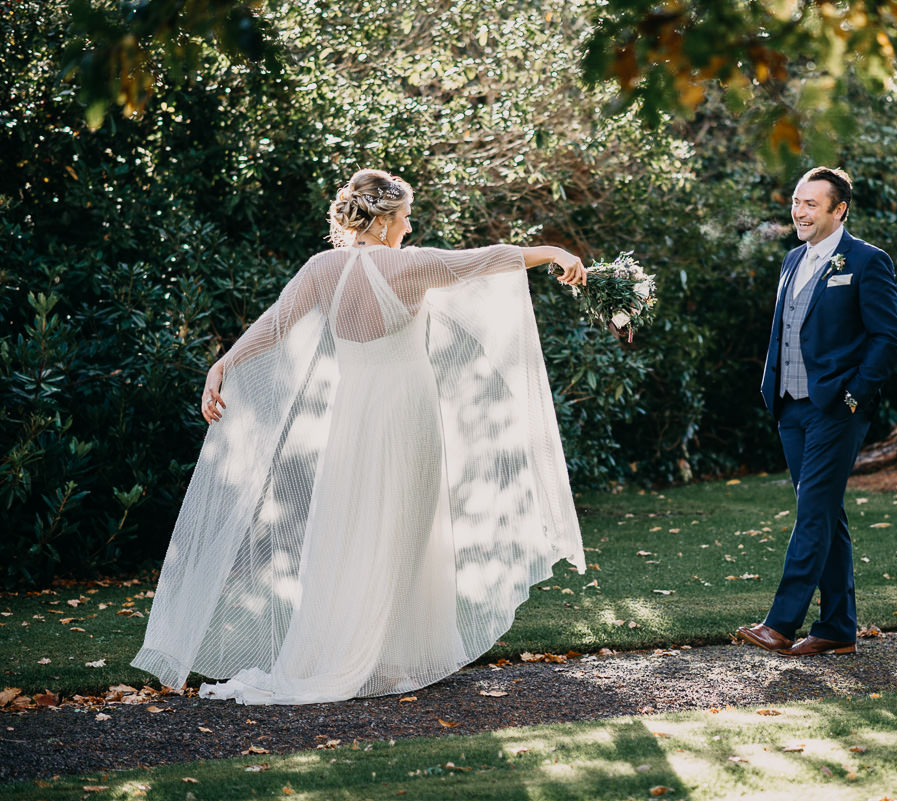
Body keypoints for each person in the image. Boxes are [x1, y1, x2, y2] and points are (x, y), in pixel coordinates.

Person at [132, 169, 589, 704]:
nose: (409, 226)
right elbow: (488, 259)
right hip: (408, 414)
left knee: (350, 528)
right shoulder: (413, 265)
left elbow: (274, 326)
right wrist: (553, 251)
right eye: (406, 216)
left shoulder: (321, 268)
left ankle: (371, 655)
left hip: (352, 416)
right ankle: (377, 661)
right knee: (405, 529)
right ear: (385, 219)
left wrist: (223, 364)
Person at [736, 166, 897, 657]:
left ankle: (780, 624)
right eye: (796, 202)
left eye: (811, 203)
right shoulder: (792, 259)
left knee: (813, 510)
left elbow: (889, 339)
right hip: (790, 408)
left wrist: (854, 396)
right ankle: (836, 628)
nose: (799, 211)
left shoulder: (867, 261)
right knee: (825, 511)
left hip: (837, 408)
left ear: (839, 209)